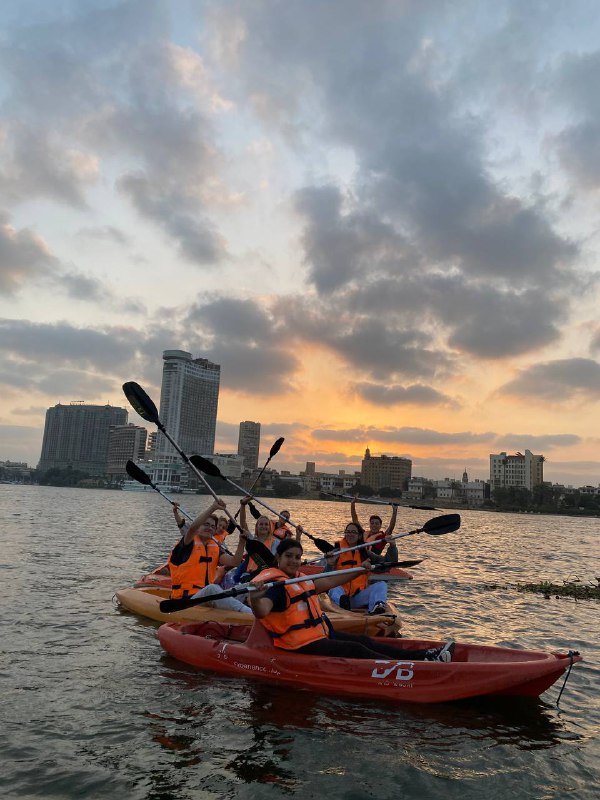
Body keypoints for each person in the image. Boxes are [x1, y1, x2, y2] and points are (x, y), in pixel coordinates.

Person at [249, 539, 454, 662]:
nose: (294, 561)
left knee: (365, 641)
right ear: (278, 558)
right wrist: (255, 597)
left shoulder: (300, 580)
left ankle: (424, 656)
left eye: (297, 557)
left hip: (319, 635)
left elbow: (331, 580)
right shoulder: (276, 588)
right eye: (289, 556)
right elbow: (262, 611)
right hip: (299, 645)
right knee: (355, 649)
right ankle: (416, 667)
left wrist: (359, 571)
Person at [168, 498, 249, 611]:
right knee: (212, 588)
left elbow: (235, 561)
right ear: (198, 527)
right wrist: (213, 507)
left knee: (247, 587)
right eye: (206, 524)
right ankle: (250, 615)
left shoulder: (215, 548)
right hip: (185, 600)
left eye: (212, 526)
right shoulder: (188, 542)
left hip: (205, 598)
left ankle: (248, 613)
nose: (209, 528)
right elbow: (192, 528)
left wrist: (242, 542)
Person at [351, 497, 399, 563]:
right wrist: (352, 504)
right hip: (361, 557)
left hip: (375, 559)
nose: (374, 525)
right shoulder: (364, 533)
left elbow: (391, 526)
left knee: (366, 552)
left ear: (380, 526)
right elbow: (355, 520)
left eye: (377, 524)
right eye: (372, 523)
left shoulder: (383, 536)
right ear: (370, 524)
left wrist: (394, 511)